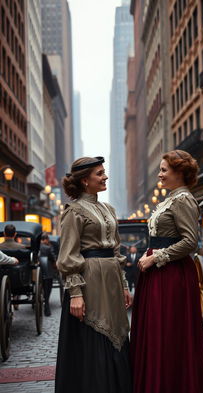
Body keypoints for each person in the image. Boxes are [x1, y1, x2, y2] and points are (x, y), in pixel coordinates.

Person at [131, 150, 203, 393]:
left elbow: (190, 242)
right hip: (158, 275)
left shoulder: (184, 200)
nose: (159, 174)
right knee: (158, 333)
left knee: (169, 334)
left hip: (172, 276)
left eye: (164, 170)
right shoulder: (170, 199)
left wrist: (157, 257)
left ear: (180, 173)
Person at [55, 156, 133, 393]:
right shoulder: (73, 211)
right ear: (85, 181)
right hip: (89, 281)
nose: (105, 176)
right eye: (99, 173)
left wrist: (124, 285)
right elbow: (68, 255)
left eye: (104, 172)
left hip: (111, 279)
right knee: (93, 335)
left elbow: (117, 251)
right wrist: (76, 294)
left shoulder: (108, 209)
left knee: (117, 334)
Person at [40, 232, 56, 316]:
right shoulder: (48, 248)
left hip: (38, 272)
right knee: (47, 289)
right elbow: (53, 258)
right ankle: (46, 304)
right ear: (45, 240)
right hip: (48, 271)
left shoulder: (37, 248)